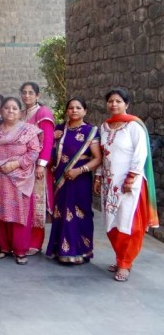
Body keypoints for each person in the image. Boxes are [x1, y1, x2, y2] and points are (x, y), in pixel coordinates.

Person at [94, 88, 159, 282]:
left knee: (130, 224)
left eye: (118, 101)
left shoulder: (134, 126)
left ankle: (125, 263)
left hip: (130, 184)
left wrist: (131, 178)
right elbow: (103, 155)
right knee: (112, 223)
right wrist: (98, 176)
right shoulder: (104, 127)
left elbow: (141, 154)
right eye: (110, 101)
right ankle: (120, 257)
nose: (114, 104)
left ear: (126, 104)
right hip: (109, 183)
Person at [46, 97, 102, 265]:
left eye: (78, 107)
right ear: (66, 111)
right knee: (60, 213)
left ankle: (80, 251)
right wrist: (52, 138)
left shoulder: (91, 131)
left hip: (80, 179)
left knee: (81, 213)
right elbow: (48, 152)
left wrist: (80, 170)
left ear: (85, 111)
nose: (74, 110)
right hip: (61, 178)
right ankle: (61, 250)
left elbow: (98, 158)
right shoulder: (59, 129)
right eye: (71, 107)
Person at [0, 97, 42, 265]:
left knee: (20, 215)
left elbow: (34, 152)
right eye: (6, 108)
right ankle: (4, 247)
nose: (10, 111)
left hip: (20, 180)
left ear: (20, 112)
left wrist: (14, 164)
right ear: (1, 111)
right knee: (1, 213)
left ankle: (20, 250)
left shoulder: (29, 130)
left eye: (14, 108)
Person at [20, 82, 55, 255]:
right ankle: (23, 240)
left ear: (37, 95)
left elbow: (48, 140)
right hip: (22, 166)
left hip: (37, 166)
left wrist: (42, 164)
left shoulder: (43, 113)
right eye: (24, 93)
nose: (27, 96)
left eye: (30, 93)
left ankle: (35, 242)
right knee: (24, 204)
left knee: (36, 204)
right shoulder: (21, 114)